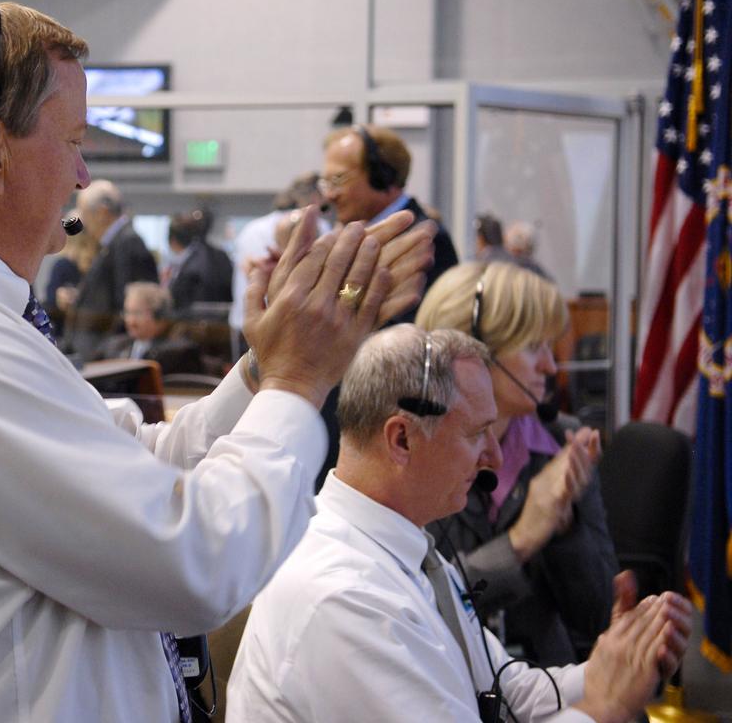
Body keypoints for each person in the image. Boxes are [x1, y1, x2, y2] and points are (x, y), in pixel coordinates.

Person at [0, 0, 434, 722]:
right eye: (73, 140)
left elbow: (133, 459)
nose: (80, 176)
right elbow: (197, 563)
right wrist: (300, 381)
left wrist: (265, 368)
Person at [227, 325, 692, 723]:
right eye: (475, 434)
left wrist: (603, 668)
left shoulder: (408, 551)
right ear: (402, 439)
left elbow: (502, 686)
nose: (492, 456)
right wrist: (600, 707)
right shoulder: (345, 597)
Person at [416, 260, 616, 664]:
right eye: (532, 346)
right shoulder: (414, 449)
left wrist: (566, 528)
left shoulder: (562, 442)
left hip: (544, 679)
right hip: (443, 681)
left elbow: (599, 617)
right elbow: (415, 608)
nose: (550, 365)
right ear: (472, 351)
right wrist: (520, 541)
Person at [320, 123, 458, 325]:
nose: (330, 195)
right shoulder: (351, 234)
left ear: (382, 175)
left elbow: (406, 325)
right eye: (326, 183)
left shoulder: (424, 238)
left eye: (338, 179)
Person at [63, 178, 159, 360]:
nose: (84, 224)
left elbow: (126, 306)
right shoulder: (117, 243)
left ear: (102, 213)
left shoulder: (127, 243)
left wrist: (106, 351)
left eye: (85, 215)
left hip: (102, 354)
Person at [230, 173, 327, 347]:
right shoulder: (315, 225)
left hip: (247, 323)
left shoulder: (252, 228)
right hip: (280, 325)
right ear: (315, 198)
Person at [93, 282, 203, 375]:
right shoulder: (114, 346)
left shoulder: (179, 353)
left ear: (159, 316)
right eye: (127, 312)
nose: (130, 321)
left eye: (137, 313)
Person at [165, 208, 234, 313]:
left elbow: (177, 298)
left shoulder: (190, 262)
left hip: (195, 321)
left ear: (172, 240)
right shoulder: (220, 256)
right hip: (222, 319)